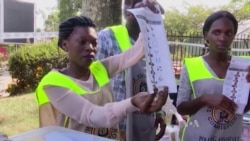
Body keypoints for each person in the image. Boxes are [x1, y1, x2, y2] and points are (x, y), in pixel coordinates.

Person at [36, 16, 168, 140]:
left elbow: (131, 55)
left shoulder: (99, 69)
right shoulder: (52, 83)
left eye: (94, 43)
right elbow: (91, 115)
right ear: (65, 44)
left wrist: (149, 19)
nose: (90, 48)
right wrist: (133, 103)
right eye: (82, 42)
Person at [96, 0, 165, 140]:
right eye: (128, 2)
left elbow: (157, 82)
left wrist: (159, 113)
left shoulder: (156, 41)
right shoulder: (107, 37)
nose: (130, 7)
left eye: (139, 2)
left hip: (143, 123)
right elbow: (94, 84)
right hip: (115, 127)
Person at [176, 10, 250, 141]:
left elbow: (242, 109)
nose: (222, 38)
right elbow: (181, 108)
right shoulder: (193, 65)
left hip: (230, 137)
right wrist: (204, 99)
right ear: (206, 35)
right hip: (196, 137)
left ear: (233, 36)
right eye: (217, 32)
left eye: (228, 33)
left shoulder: (243, 67)